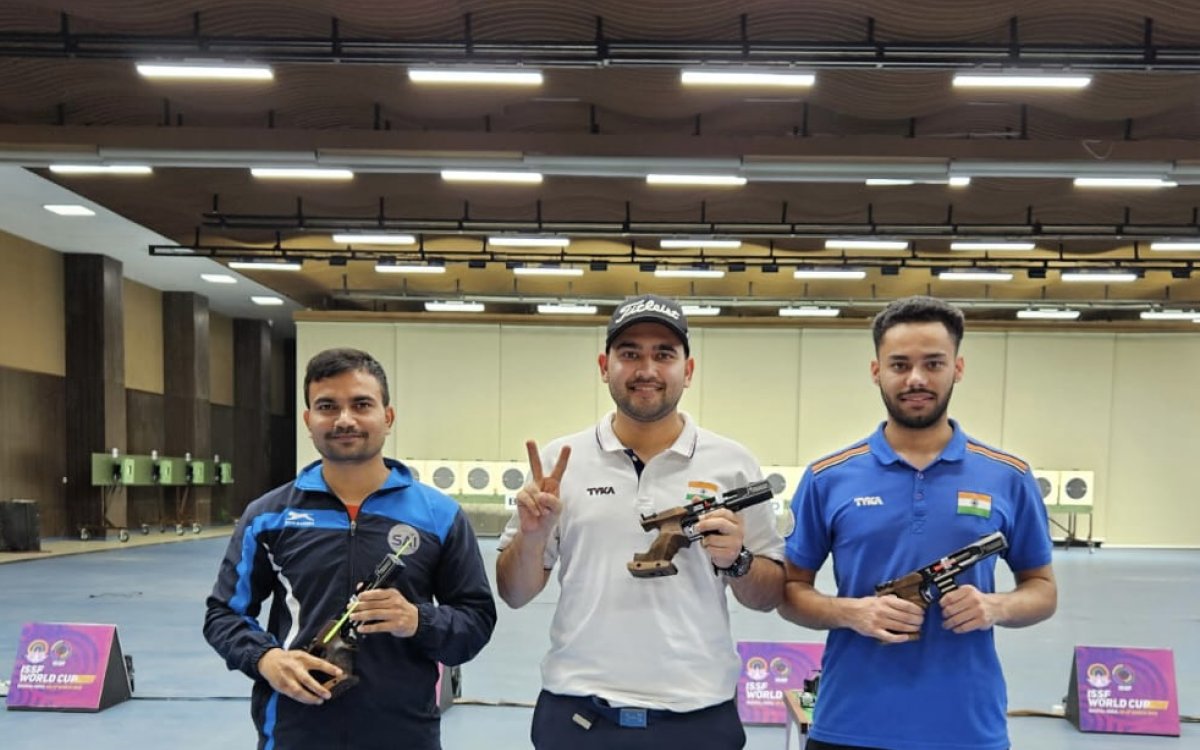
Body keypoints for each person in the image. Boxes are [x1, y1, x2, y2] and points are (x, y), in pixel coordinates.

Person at [495, 294, 786, 750]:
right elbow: (513, 594)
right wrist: (531, 538)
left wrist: (739, 559)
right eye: (629, 353)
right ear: (604, 365)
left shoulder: (733, 463)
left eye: (664, 354)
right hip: (578, 712)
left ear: (688, 371)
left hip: (699, 715)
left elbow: (769, 596)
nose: (646, 369)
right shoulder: (558, 463)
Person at [779, 296, 1057, 750]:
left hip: (967, 728)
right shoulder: (828, 476)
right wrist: (854, 612)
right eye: (899, 364)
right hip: (849, 724)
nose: (916, 379)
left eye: (933, 363)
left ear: (958, 367)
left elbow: (1042, 588)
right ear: (876, 371)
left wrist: (995, 607)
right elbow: (791, 593)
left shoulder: (1009, 475)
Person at [203, 347, 497, 750]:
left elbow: (476, 621)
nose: (344, 419)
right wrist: (266, 659)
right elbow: (223, 615)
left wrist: (418, 620)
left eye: (361, 404)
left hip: (404, 732)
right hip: (295, 730)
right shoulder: (269, 516)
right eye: (327, 406)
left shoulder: (439, 516)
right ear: (309, 420)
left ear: (387, 417)